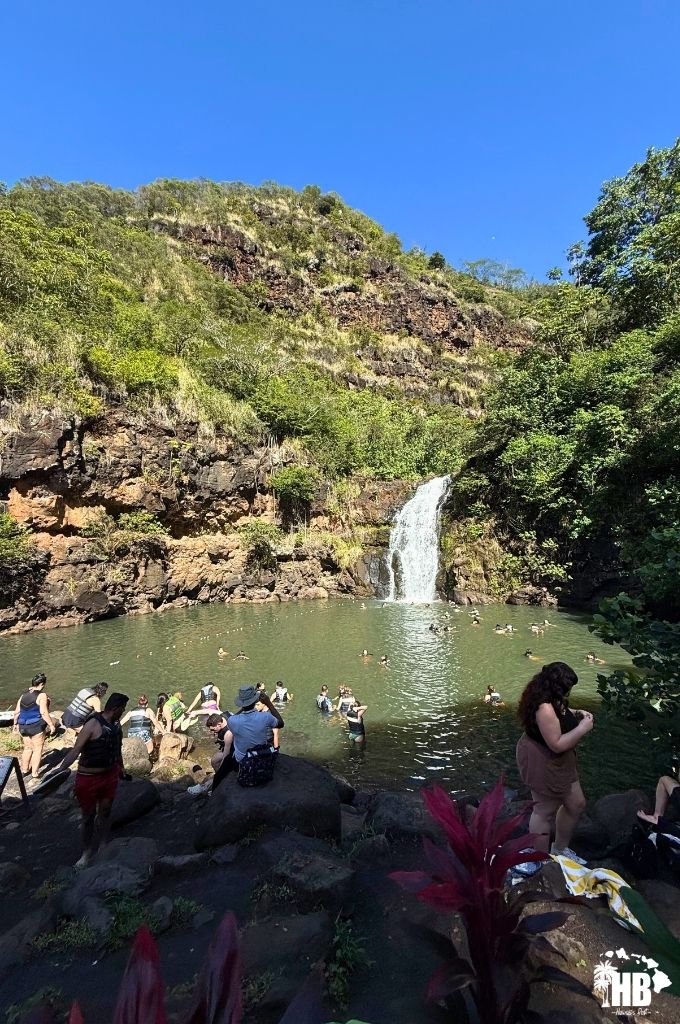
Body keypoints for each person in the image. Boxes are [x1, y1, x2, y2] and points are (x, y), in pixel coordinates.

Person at [516, 662, 593, 860]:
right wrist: (583, 728)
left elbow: (562, 711)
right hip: (543, 759)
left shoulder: (551, 696)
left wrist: (576, 713)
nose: (568, 694)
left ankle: (559, 849)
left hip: (562, 760)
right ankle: (540, 859)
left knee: (576, 803)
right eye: (567, 690)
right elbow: (557, 744)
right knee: (543, 810)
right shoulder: (543, 707)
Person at [61, 692, 129, 867]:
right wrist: (61, 768)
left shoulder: (116, 725)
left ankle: (104, 844)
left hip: (110, 774)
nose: (123, 712)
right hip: (88, 777)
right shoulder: (92, 724)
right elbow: (76, 750)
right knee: (88, 815)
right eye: (122, 709)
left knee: (105, 811)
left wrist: (121, 768)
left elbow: (117, 748)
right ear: (115, 709)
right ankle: (86, 853)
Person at [221, 685, 284, 786]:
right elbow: (281, 723)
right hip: (261, 758)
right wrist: (268, 703)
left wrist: (243, 707)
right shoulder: (266, 716)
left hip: (241, 763)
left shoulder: (233, 721)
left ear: (241, 703)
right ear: (255, 701)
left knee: (228, 756)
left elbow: (234, 717)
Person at [13, 673, 56, 782]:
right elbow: (43, 712)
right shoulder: (42, 695)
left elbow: (17, 712)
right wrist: (51, 725)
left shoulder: (23, 695)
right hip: (35, 726)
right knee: (37, 749)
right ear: (41, 684)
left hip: (23, 726)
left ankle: (24, 770)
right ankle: (35, 773)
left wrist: (15, 725)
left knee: (27, 748)